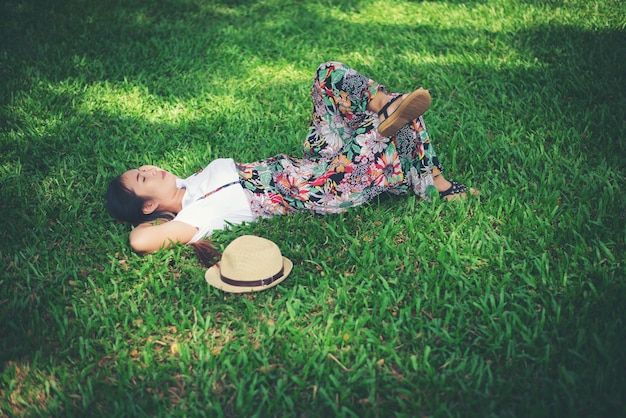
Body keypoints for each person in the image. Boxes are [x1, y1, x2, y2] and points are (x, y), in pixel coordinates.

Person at [106, 61, 479, 266]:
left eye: (144, 168)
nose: (151, 169)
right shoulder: (190, 221)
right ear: (148, 204)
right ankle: (434, 181)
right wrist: (160, 221)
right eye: (142, 178)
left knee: (327, 74)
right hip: (326, 188)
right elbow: (140, 240)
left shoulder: (193, 179)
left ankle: (387, 112)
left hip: (315, 160)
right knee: (385, 132)